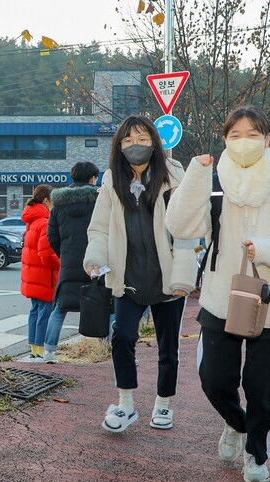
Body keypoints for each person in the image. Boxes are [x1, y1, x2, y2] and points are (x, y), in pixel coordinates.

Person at [166, 104, 270, 482]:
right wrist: (195, 177)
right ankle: (237, 425)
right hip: (221, 299)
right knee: (213, 380)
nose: (244, 142)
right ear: (224, 140)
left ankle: (257, 453)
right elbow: (180, 226)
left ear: (267, 139)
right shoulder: (212, 182)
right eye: (235, 135)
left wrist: (267, 249)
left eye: (253, 134)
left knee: (262, 388)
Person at [84, 115, 192, 434]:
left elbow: (191, 227)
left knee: (167, 345)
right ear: (119, 146)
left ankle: (163, 405)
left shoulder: (174, 177)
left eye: (143, 138)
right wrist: (95, 258)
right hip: (127, 277)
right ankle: (126, 404)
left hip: (167, 278)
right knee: (122, 336)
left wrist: (187, 268)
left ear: (155, 143)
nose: (136, 145)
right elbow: (100, 229)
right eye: (128, 140)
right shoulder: (110, 181)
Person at [42, 162, 99, 363]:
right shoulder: (100, 201)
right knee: (107, 305)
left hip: (69, 262)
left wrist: (64, 255)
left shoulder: (58, 206)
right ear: (93, 178)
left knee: (60, 309)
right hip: (97, 261)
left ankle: (49, 352)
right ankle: (110, 348)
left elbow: (52, 237)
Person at [19, 184, 60, 361]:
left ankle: (34, 349)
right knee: (44, 313)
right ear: (45, 201)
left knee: (35, 311)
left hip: (32, 274)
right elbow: (46, 254)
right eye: (52, 201)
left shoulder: (32, 220)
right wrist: (61, 264)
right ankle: (41, 350)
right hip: (44, 276)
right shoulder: (45, 221)